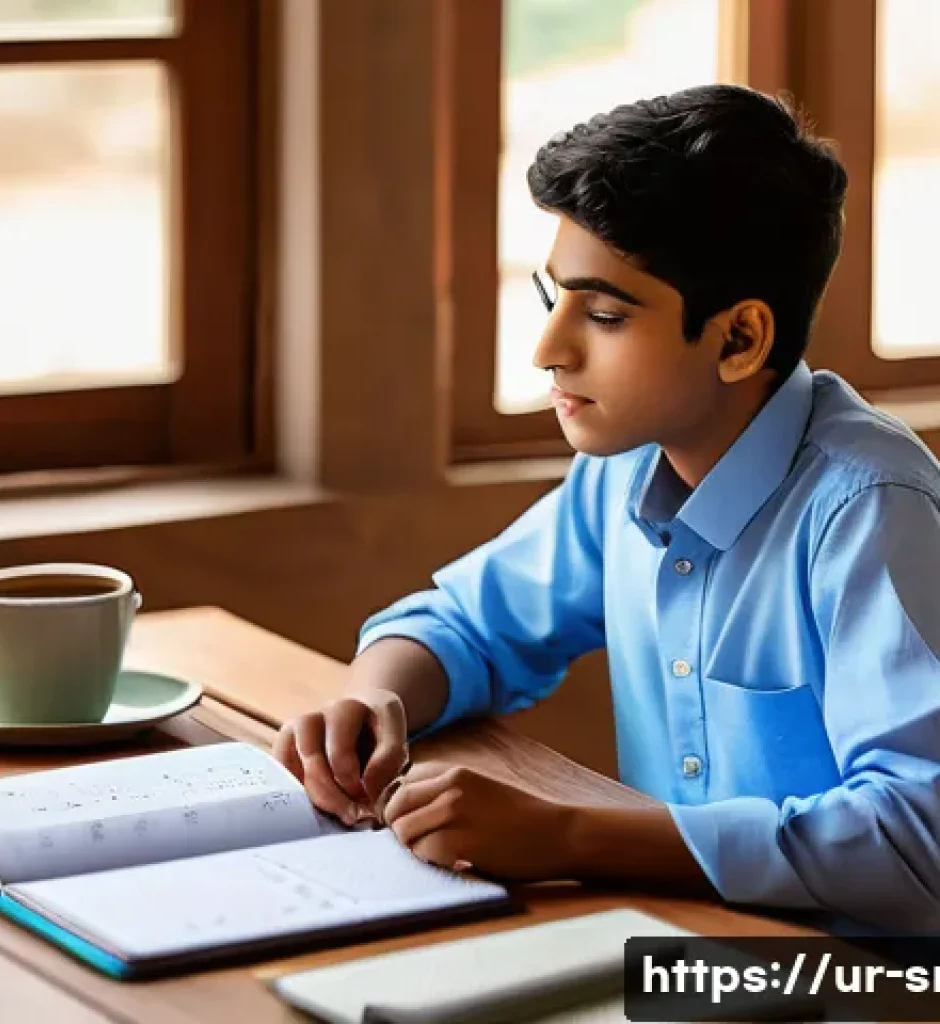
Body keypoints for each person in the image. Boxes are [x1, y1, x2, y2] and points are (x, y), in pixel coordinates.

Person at [273, 83, 940, 933]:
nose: (549, 350)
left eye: (606, 313)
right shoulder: (624, 470)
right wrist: (374, 699)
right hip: (676, 940)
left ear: (740, 339)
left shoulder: (869, 510)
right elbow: (467, 625)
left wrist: (568, 834)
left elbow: (919, 839)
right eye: (554, 299)